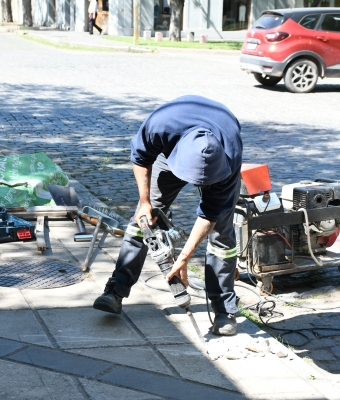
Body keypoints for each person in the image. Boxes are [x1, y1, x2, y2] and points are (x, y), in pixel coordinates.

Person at [93, 95, 243, 336]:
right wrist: (144, 202)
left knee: (222, 234)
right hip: (173, 152)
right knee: (144, 221)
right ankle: (115, 290)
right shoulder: (161, 125)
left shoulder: (230, 157)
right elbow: (141, 158)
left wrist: (183, 257)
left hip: (219, 161)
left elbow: (210, 214)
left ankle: (224, 310)